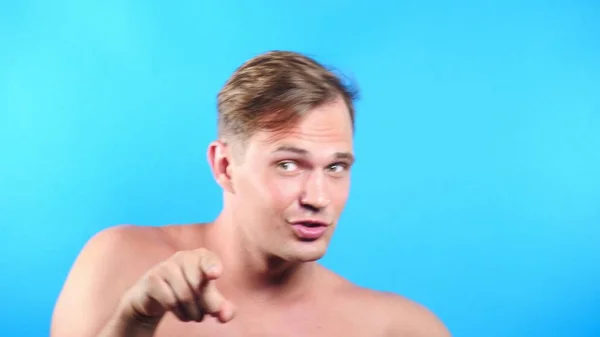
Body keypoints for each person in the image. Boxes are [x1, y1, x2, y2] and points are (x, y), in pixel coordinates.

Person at [51, 50, 451, 337]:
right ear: (224, 166)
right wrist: (136, 319)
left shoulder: (398, 327)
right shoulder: (118, 261)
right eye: (288, 165)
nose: (318, 197)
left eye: (335, 168)